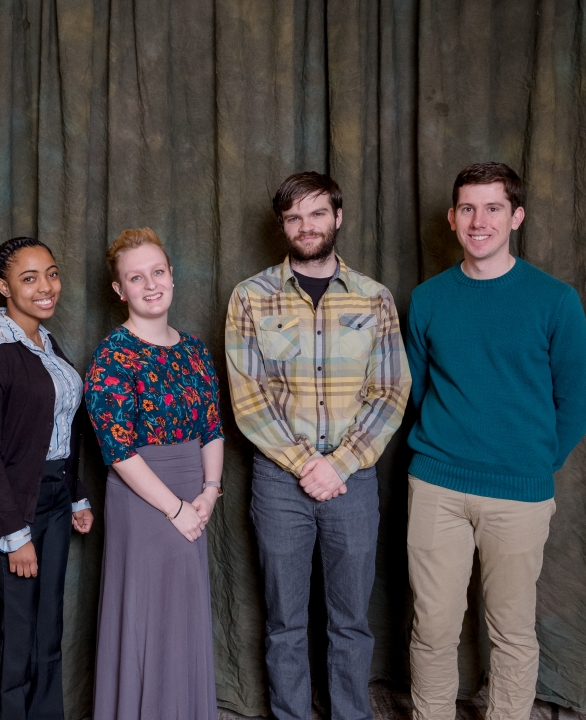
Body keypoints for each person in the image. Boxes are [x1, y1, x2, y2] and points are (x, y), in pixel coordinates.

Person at [405, 162, 586, 720]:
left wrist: (532, 462)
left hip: (520, 491)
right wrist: (446, 442)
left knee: (511, 629)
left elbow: (576, 403)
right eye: (467, 208)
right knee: (432, 627)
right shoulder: (428, 299)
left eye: (492, 208)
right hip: (436, 485)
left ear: (516, 216)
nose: (478, 220)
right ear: (451, 218)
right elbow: (414, 391)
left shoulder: (555, 300)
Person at [225, 171, 411, 720]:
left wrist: (342, 465)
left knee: (350, 620)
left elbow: (390, 391)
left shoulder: (375, 299)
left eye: (317, 213)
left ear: (337, 217)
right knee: (285, 620)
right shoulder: (250, 297)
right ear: (283, 225)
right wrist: (308, 464)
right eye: (294, 217)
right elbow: (249, 398)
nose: (306, 226)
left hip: (353, 482)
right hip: (280, 483)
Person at [84, 227, 224, 720]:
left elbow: (212, 428)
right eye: (136, 277)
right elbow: (117, 450)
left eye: (157, 272)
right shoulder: (112, 356)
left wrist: (208, 494)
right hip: (145, 500)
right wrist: (177, 509)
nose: (150, 284)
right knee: (147, 616)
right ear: (120, 290)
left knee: (183, 617)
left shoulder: (195, 351)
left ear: (171, 276)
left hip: (194, 494)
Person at [0, 237, 93, 720]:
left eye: (52, 273)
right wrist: (15, 535)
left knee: (46, 629)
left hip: (53, 497)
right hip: (5, 507)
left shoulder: (46, 342)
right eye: (29, 278)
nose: (46, 287)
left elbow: (58, 428)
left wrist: (76, 495)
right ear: (3, 287)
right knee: (16, 633)